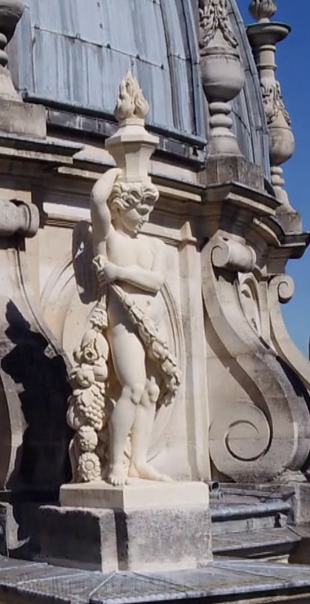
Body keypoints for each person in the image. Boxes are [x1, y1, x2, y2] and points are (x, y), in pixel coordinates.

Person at [88, 167, 181, 485]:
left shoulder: (155, 246)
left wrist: (117, 272)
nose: (145, 218)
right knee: (133, 387)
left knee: (152, 391)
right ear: (119, 208)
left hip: (153, 326)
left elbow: (155, 282)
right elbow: (96, 198)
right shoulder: (109, 237)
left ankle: (138, 462)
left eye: (148, 212)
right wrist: (119, 169)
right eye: (138, 211)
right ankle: (116, 463)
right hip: (125, 323)